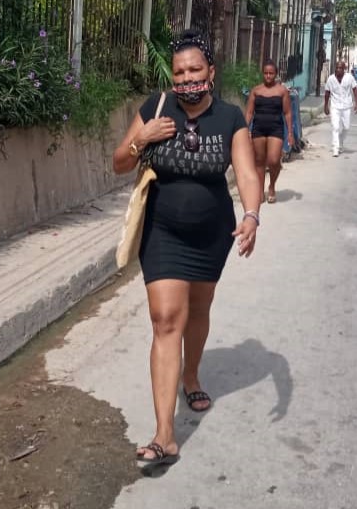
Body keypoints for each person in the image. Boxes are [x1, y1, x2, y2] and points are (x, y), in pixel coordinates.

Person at [111, 29, 262, 467]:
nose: (187, 77)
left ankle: (191, 374)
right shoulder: (155, 109)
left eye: (195, 69)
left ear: (210, 72)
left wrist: (251, 215)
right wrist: (145, 137)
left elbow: (247, 172)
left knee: (198, 310)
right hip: (163, 231)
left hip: (212, 233)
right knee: (164, 320)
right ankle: (164, 435)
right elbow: (120, 162)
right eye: (180, 71)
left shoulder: (231, 117)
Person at [243, 60, 293, 204]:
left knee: (273, 160)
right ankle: (260, 190)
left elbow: (288, 112)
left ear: (276, 74)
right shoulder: (256, 90)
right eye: (266, 73)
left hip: (276, 128)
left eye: (271, 73)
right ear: (262, 74)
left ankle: (272, 185)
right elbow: (249, 112)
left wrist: (290, 133)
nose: (268, 76)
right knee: (259, 161)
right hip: (258, 128)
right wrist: (245, 129)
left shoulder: (282, 91)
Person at [323, 61, 357, 157]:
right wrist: (325, 106)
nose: (338, 70)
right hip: (335, 106)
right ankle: (335, 148)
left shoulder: (349, 78)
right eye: (337, 68)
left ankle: (340, 141)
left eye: (341, 68)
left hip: (346, 106)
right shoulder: (331, 79)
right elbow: (327, 93)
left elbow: (355, 90)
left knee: (346, 127)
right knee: (335, 127)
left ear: (344, 69)